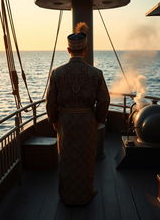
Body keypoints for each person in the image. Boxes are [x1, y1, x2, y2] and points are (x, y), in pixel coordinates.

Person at [46, 22, 110, 206]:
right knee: (86, 157)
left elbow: (51, 101)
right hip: (87, 120)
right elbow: (104, 100)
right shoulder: (96, 73)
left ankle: (67, 195)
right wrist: (98, 119)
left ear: (68, 50)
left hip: (65, 121)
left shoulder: (57, 73)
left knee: (66, 157)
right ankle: (85, 193)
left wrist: (54, 120)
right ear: (85, 49)